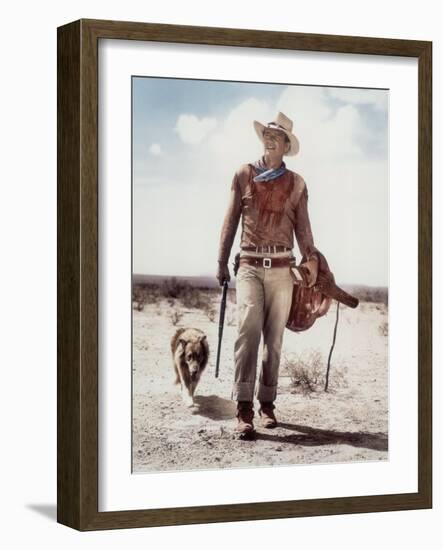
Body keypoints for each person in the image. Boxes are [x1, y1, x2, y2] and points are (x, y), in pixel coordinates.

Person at [216, 111, 319, 439]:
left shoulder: (296, 183)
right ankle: (244, 407)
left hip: (282, 270)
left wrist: (312, 260)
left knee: (273, 340)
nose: (271, 137)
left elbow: (303, 230)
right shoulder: (243, 174)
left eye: (278, 135)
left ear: (287, 146)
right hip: (248, 266)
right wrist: (220, 261)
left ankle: (267, 403)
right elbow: (231, 219)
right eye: (268, 133)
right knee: (248, 334)